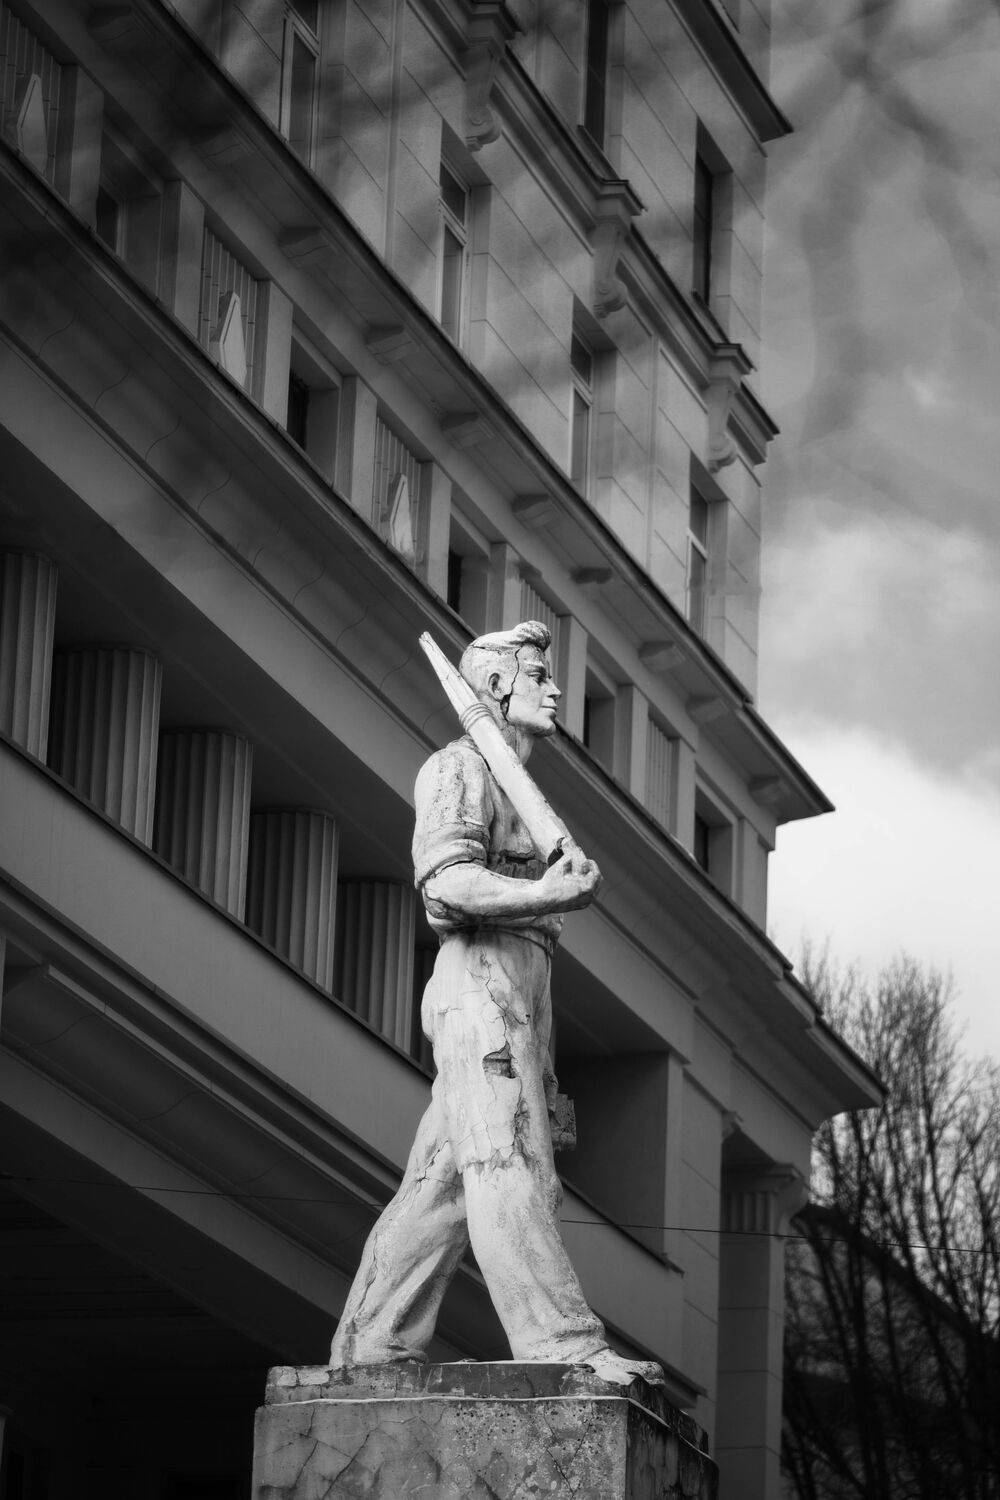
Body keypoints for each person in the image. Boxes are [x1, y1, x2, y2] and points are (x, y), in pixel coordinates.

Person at [330, 621, 663, 1386]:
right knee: (510, 1159)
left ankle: (369, 1345)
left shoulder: (511, 779)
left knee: (445, 1184)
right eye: (539, 676)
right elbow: (445, 887)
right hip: (478, 979)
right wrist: (545, 892)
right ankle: (562, 1343)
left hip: (523, 982)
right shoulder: (458, 767)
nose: (555, 690)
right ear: (494, 687)